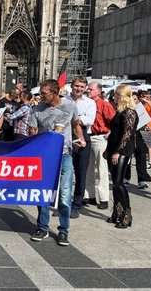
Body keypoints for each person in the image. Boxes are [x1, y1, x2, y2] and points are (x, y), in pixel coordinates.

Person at [28, 79, 86, 246]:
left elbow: (76, 124)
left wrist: (80, 138)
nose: (40, 96)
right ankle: (42, 227)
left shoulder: (69, 106)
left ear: (55, 92)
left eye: (44, 93)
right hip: (45, 156)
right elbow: (33, 132)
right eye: (40, 93)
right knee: (43, 192)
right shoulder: (37, 109)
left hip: (65, 154)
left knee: (65, 193)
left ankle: (63, 230)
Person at [105, 84, 138, 228]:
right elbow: (114, 132)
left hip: (123, 150)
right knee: (115, 183)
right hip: (113, 148)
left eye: (117, 95)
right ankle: (117, 212)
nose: (114, 97)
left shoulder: (130, 112)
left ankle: (127, 213)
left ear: (122, 96)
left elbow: (127, 135)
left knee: (118, 182)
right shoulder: (120, 112)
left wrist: (118, 152)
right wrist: (108, 150)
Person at [68, 76, 96, 218]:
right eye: (76, 86)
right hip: (67, 136)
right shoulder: (65, 100)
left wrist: (74, 118)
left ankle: (76, 205)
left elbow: (89, 120)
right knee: (65, 172)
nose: (78, 89)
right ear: (72, 86)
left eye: (81, 86)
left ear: (85, 88)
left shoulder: (90, 102)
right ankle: (65, 203)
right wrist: (79, 117)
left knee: (80, 172)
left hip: (84, 136)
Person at [84, 82, 115, 209]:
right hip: (88, 137)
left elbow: (114, 122)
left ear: (99, 91)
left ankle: (103, 198)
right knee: (88, 168)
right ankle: (89, 195)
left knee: (101, 169)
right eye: (88, 89)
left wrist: (108, 134)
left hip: (99, 137)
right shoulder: (87, 103)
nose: (88, 91)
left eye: (91, 89)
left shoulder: (104, 105)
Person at [126, 92, 151, 189]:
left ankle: (142, 180)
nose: (133, 101)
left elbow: (147, 121)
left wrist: (147, 127)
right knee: (127, 158)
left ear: (138, 100)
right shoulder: (126, 110)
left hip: (140, 136)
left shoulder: (141, 109)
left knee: (141, 158)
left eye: (135, 99)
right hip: (129, 137)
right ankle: (126, 177)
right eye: (131, 99)